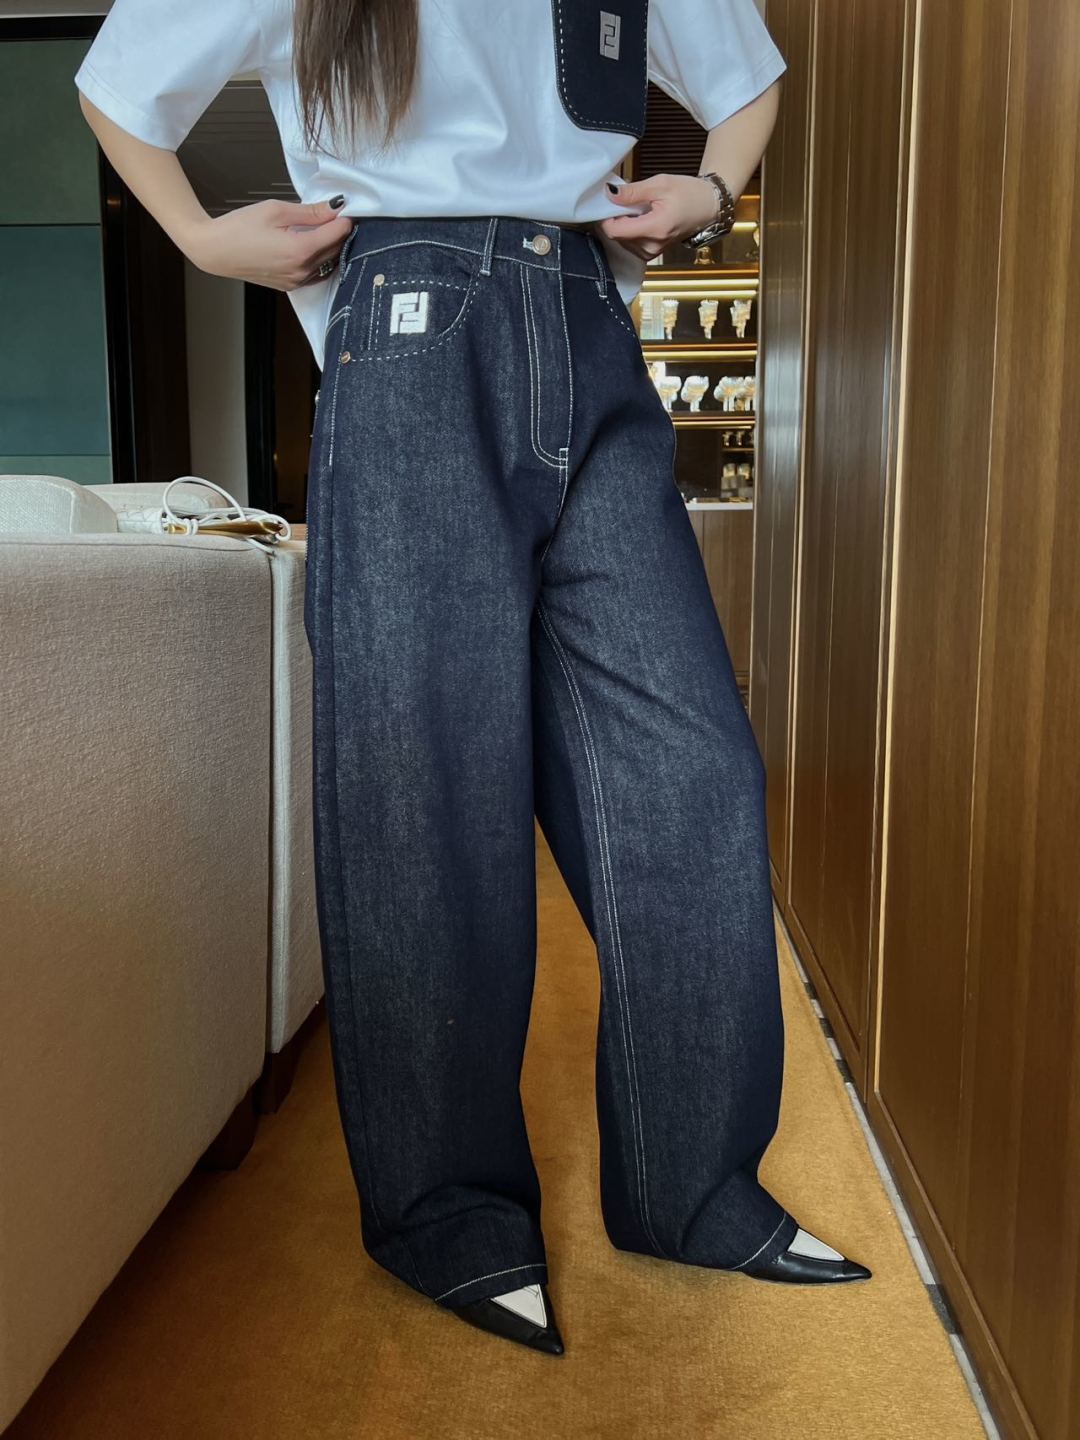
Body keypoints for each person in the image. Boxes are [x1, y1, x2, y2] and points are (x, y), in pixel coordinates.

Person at [75, 0, 871, 1358]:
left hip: (592, 316)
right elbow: (120, 82)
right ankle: (448, 1213)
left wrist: (714, 187)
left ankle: (693, 1189)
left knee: (690, 777)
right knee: (426, 786)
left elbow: (748, 78)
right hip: (410, 317)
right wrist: (202, 237)